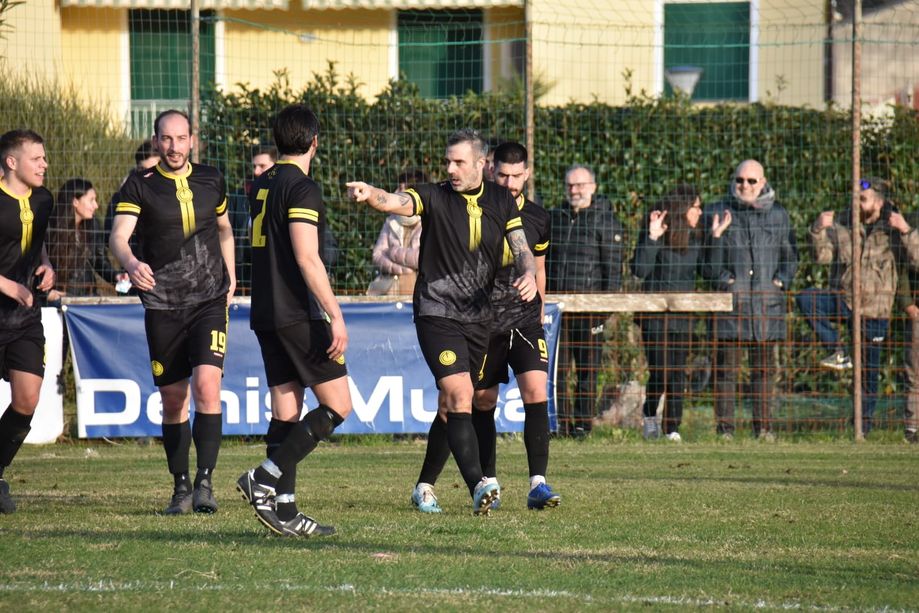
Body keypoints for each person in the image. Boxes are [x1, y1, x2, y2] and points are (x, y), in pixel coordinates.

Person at [347, 129, 538, 515]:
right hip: (436, 311)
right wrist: (373, 195)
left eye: (459, 162)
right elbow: (398, 202)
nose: (450, 168)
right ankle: (479, 485)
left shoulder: (502, 199)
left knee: (452, 409)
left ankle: (423, 486)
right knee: (461, 395)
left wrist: (529, 274)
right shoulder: (433, 195)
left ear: (481, 164)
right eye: (447, 161)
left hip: (479, 317)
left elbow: (522, 249)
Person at [409, 142, 559, 513]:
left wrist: (538, 301)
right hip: (483, 319)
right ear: (490, 171)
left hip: (523, 317)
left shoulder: (537, 217)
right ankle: (470, 480)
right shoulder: (481, 204)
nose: (509, 182)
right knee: (470, 400)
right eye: (502, 175)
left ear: (527, 175)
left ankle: (536, 483)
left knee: (536, 390)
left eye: (516, 175)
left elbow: (535, 264)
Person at [110, 110, 236, 515]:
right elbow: (118, 237)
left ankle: (205, 483)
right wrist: (130, 263)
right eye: (166, 139)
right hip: (163, 303)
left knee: (207, 386)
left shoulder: (211, 178)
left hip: (209, 300)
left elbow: (224, 230)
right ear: (156, 141)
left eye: (181, 139)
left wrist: (230, 279)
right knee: (172, 399)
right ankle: (180, 486)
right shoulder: (139, 185)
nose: (174, 147)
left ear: (192, 140)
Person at [235, 104, 352, 537]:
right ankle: (263, 478)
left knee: (287, 410)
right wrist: (335, 315)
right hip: (296, 312)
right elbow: (307, 257)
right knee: (339, 405)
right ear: (315, 142)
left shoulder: (261, 183)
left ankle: (284, 509)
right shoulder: (302, 188)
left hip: (265, 311)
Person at [798, 177, 919, 435]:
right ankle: (837, 349)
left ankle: (862, 430)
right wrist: (818, 231)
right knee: (807, 299)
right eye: (854, 197)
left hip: (875, 312)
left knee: (868, 377)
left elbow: (916, 260)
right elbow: (822, 258)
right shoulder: (842, 225)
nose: (857, 203)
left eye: (862, 199)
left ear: (879, 201)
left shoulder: (893, 229)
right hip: (845, 301)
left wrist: (907, 231)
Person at [703, 160, 797, 440]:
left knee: (764, 374)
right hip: (731, 307)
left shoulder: (779, 215)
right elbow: (705, 263)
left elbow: (791, 256)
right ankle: (725, 430)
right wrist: (723, 281)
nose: (745, 185)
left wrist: (780, 281)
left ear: (763, 181)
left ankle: (764, 429)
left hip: (767, 306)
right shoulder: (717, 211)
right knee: (725, 373)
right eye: (740, 180)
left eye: (751, 181)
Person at [632, 184, 731, 442]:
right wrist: (651, 238)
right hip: (653, 319)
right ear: (682, 208)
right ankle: (650, 417)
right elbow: (640, 269)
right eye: (695, 206)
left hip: (682, 319)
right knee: (661, 371)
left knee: (677, 372)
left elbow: (709, 273)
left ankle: (672, 428)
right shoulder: (657, 232)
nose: (699, 211)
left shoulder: (696, 240)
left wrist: (717, 237)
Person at [546, 164, 624, 436]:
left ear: (592, 187)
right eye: (570, 185)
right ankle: (561, 423)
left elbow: (614, 272)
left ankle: (582, 424)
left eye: (579, 185)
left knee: (588, 368)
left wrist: (603, 312)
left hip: (591, 312)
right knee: (559, 369)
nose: (574, 190)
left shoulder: (606, 221)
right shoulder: (554, 217)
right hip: (558, 310)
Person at [0, 129, 56, 513]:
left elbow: (37, 243)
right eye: (36, 158)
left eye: (44, 157)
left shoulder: (44, 199)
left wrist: (46, 266)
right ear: (11, 162)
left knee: (28, 397)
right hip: (7, 303)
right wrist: (7, 285)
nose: (44, 164)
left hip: (24, 318)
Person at [46, 178, 126, 300]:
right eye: (91, 200)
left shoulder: (93, 225)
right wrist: (47, 294)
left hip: (89, 297)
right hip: (59, 299)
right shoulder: (49, 228)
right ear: (75, 201)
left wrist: (116, 276)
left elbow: (100, 262)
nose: (96, 205)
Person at [367, 169, 426, 296]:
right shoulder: (391, 220)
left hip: (420, 291)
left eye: (400, 188)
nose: (395, 192)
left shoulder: (429, 221)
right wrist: (401, 269)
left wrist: (393, 252)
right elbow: (377, 255)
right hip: (389, 290)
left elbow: (424, 258)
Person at [228, 145, 277, 294]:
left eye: (262, 166)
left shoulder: (286, 196)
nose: (256, 171)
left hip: (276, 276)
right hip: (242, 278)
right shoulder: (239, 197)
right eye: (254, 166)